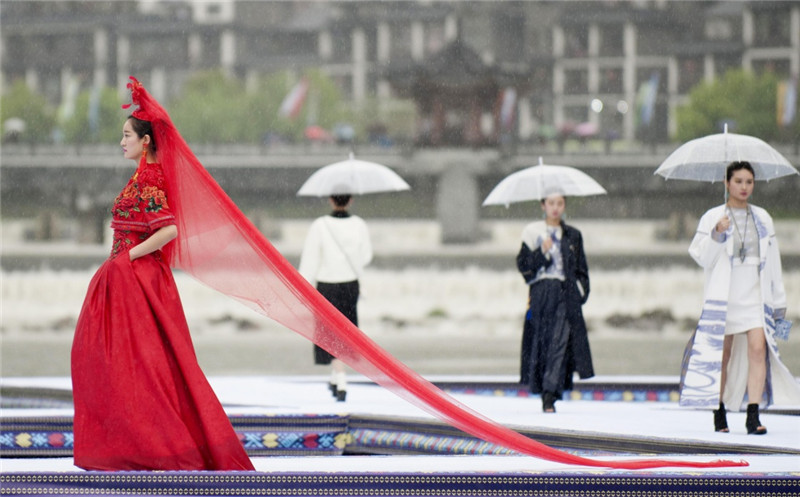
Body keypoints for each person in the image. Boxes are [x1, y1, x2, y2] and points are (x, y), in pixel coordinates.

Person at [70, 88, 254, 470]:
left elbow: (168, 230)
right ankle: (139, 445)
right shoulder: (143, 176)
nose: (121, 141)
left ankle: (155, 447)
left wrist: (128, 258)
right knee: (126, 365)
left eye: (127, 135)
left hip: (138, 281)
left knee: (142, 369)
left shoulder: (150, 179)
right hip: (128, 279)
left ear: (146, 140)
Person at [680, 160, 800, 434]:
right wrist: (717, 235)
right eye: (738, 181)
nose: (744, 187)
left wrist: (779, 303)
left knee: (759, 348)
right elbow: (701, 257)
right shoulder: (714, 217)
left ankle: (753, 415)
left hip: (755, 294)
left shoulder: (763, 218)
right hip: (725, 294)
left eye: (749, 182)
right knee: (723, 354)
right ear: (727, 183)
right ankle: (719, 411)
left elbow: (773, 262)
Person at [516, 193, 594, 412]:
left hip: (565, 292)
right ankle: (544, 390)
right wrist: (541, 252)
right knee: (542, 341)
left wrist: (581, 293)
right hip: (541, 292)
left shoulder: (573, 235)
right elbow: (524, 266)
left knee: (560, 342)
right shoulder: (532, 232)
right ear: (543, 205)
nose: (555, 208)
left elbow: (582, 269)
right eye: (551, 203)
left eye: (559, 203)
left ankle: (550, 394)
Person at [299, 194, 373, 401]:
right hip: (350, 284)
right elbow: (366, 256)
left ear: (331, 200)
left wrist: (303, 285)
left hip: (327, 285)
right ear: (350, 200)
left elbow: (311, 258)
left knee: (330, 333)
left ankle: (340, 379)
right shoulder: (359, 225)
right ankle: (335, 377)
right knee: (345, 331)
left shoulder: (319, 225)